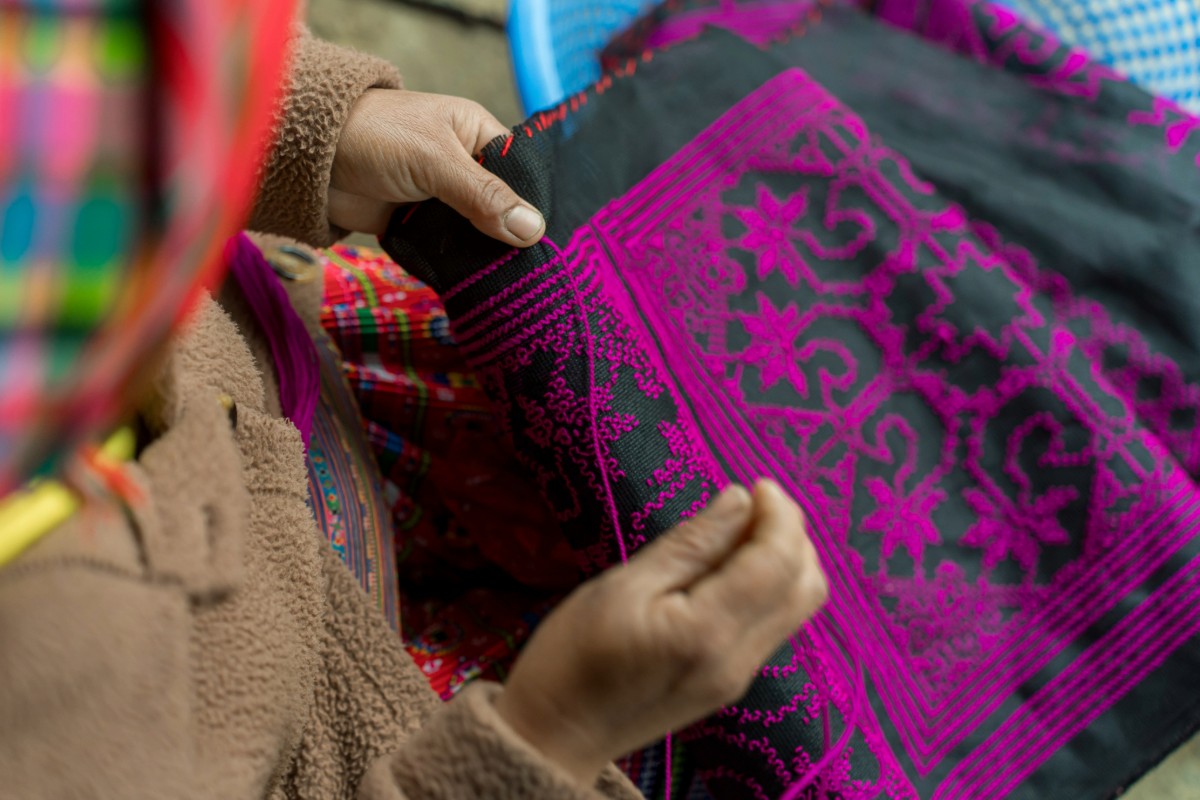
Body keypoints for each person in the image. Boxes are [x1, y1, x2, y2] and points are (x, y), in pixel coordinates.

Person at [0, 2, 828, 798]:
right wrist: (550, 740)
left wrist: (305, 126)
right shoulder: (59, 722)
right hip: (354, 734)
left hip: (273, 393)